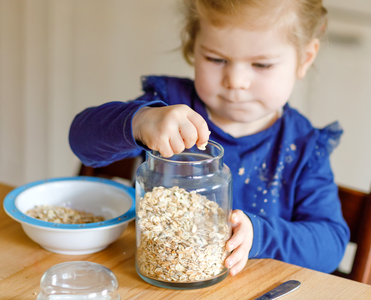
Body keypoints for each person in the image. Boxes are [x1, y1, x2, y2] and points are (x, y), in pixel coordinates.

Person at [69, 0, 349, 277]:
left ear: (305, 58)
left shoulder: (303, 147)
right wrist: (139, 122)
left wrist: (261, 235)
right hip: (157, 280)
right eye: (217, 59)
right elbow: (81, 142)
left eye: (261, 64)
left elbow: (331, 244)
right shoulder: (168, 107)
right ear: (194, 46)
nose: (235, 80)